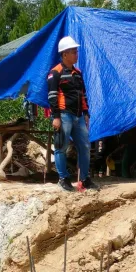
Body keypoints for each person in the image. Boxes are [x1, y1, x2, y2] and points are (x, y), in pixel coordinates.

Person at [47, 36, 97, 192]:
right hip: (63, 115)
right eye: (73, 52)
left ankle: (84, 179)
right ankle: (63, 178)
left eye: (76, 51)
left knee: (85, 146)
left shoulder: (78, 72)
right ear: (64, 54)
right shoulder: (55, 73)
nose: (76, 54)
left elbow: (83, 94)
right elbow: (52, 96)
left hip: (79, 116)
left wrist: (86, 112)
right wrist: (56, 116)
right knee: (61, 147)